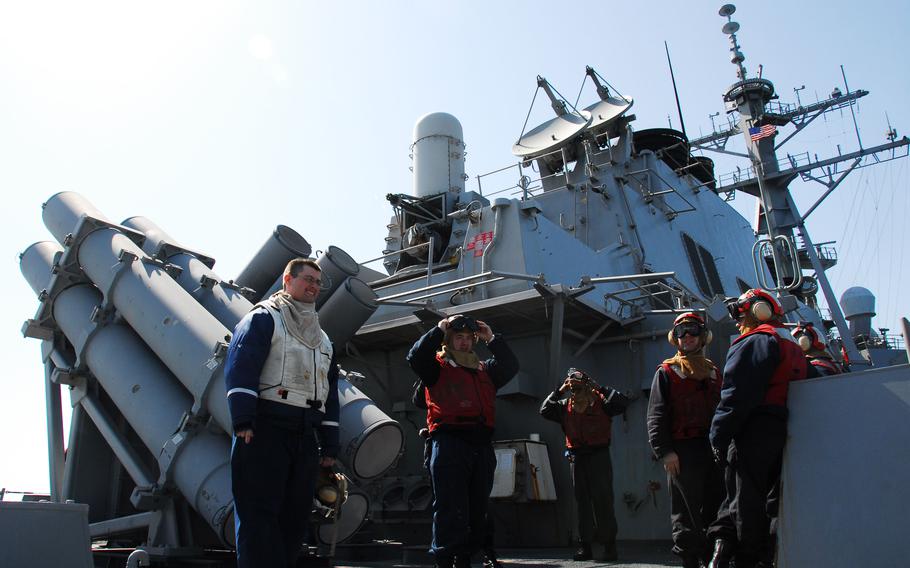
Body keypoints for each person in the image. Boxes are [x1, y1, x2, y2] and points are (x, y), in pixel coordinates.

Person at [224, 258, 340, 568]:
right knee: (258, 515)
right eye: (308, 279)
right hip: (265, 429)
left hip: (303, 435)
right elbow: (241, 366)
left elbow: (328, 392)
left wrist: (329, 444)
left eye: (318, 282)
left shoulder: (323, 340)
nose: (314, 286)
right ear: (288, 280)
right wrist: (243, 419)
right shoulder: (264, 318)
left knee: (295, 517)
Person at [707, 289, 816, 568]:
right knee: (767, 500)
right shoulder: (790, 344)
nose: (738, 322)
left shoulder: (755, 340)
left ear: (757, 311)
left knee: (744, 502)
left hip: (751, 429)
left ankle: (745, 558)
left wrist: (718, 436)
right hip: (780, 427)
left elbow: (735, 395)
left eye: (740, 314)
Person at [407, 314, 519, 568]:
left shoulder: (485, 370)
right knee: (450, 507)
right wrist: (439, 329)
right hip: (448, 444)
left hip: (480, 445)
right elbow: (415, 357)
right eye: (459, 337)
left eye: (469, 338)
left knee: (477, 507)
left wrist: (492, 338)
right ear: (449, 340)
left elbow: (511, 366)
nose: (465, 342)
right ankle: (445, 559)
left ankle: (466, 558)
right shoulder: (435, 368)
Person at [647, 312, 723, 568]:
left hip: (711, 450)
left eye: (692, 331)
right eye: (681, 332)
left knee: (715, 505)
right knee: (686, 512)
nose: (687, 336)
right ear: (674, 338)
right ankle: (690, 561)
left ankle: (712, 558)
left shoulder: (714, 373)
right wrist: (665, 452)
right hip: (682, 451)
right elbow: (656, 415)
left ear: (703, 337)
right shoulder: (667, 372)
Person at [539, 368, 630, 562]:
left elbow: (623, 402)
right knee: (582, 504)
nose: (575, 390)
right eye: (572, 387)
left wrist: (599, 387)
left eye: (579, 386)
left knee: (603, 501)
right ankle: (585, 546)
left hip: (599, 456)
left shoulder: (602, 402)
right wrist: (560, 390)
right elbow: (544, 410)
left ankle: (609, 546)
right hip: (577, 457)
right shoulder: (564, 406)